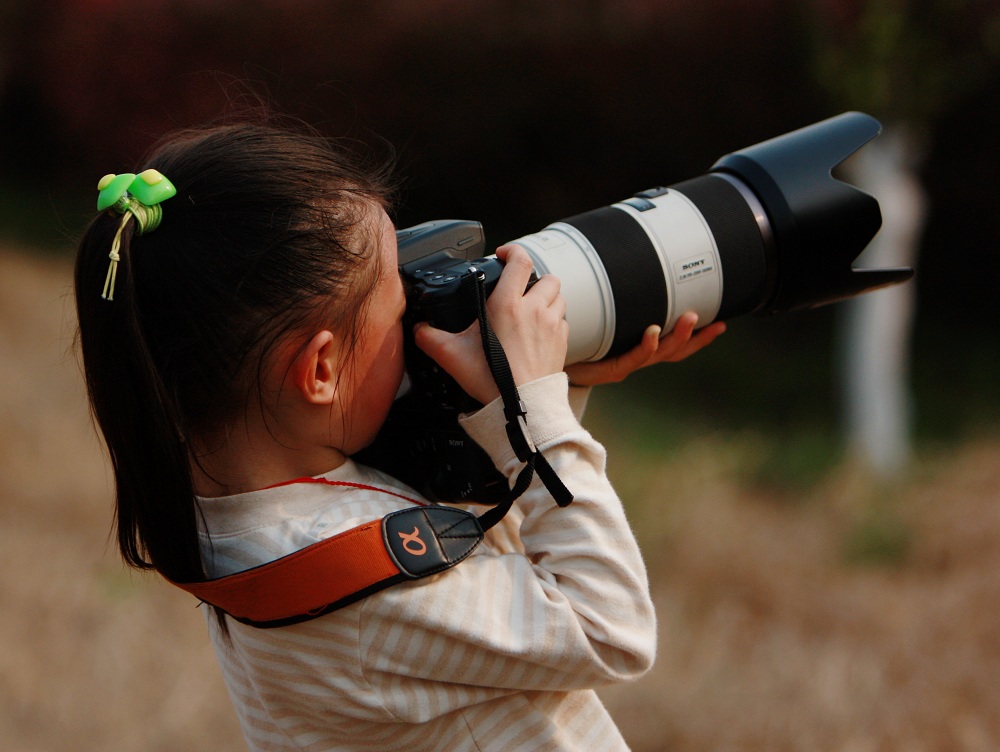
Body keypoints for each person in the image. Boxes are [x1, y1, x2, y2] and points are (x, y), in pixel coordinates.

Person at [74, 118, 725, 752]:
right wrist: (534, 406)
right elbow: (608, 627)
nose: (419, 313)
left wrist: (552, 384)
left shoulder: (256, 517)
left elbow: (491, 550)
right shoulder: (345, 578)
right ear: (321, 370)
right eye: (398, 304)